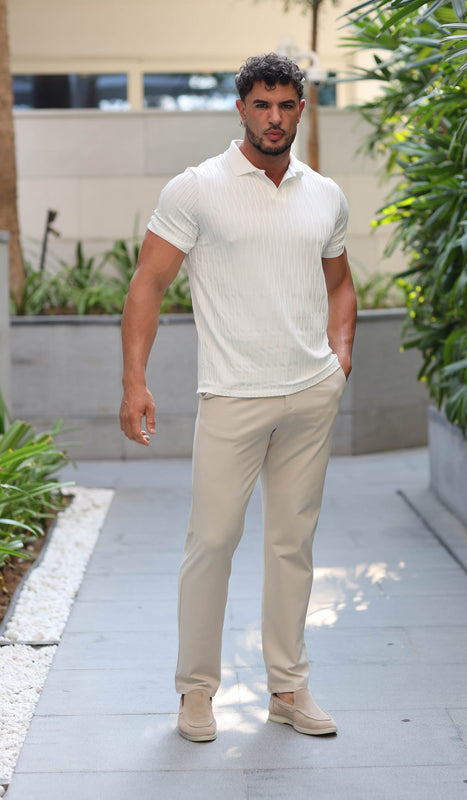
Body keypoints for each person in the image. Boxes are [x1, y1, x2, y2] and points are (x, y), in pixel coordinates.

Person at [120, 52, 357, 742]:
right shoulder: (197, 188)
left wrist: (339, 357)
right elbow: (147, 284)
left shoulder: (325, 194)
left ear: (301, 109)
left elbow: (340, 283)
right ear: (241, 108)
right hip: (232, 395)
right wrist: (134, 382)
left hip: (310, 395)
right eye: (261, 105)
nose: (273, 118)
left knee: (292, 544)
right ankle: (196, 692)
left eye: (285, 105)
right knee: (213, 543)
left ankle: (287, 687)